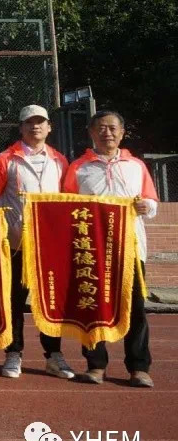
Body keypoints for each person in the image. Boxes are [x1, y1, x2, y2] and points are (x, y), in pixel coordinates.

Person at [63, 110, 158, 389]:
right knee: (93, 306)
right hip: (91, 250)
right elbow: (66, 205)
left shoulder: (136, 166)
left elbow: (151, 201)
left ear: (122, 132)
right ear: (91, 133)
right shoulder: (78, 167)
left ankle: (139, 368)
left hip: (131, 248)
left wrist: (146, 207)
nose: (107, 133)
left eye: (113, 128)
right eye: (101, 128)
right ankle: (96, 364)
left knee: (135, 307)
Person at [0, 104, 74, 380]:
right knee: (14, 300)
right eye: (29, 122)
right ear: (21, 128)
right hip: (16, 245)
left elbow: (68, 198)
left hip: (50, 246)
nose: (35, 126)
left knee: (50, 300)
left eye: (40, 122)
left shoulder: (60, 161)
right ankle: (14, 353)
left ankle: (54, 355)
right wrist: (10, 223)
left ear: (49, 127)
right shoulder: (5, 159)